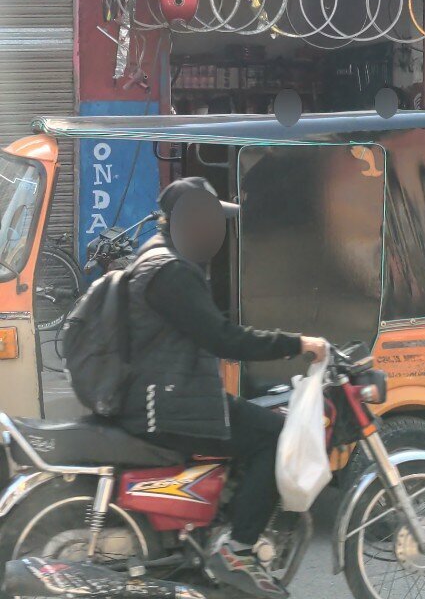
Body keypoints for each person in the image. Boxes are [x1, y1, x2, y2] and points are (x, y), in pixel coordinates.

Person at [117, 177, 326, 599]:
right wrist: (297, 344)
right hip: (173, 404)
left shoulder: (156, 258)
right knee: (273, 434)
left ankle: (214, 528)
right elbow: (222, 339)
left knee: (250, 418)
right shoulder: (172, 273)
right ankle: (237, 550)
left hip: (164, 394)